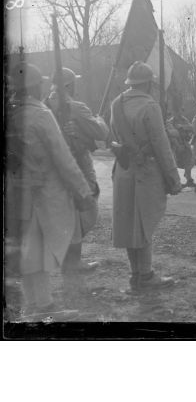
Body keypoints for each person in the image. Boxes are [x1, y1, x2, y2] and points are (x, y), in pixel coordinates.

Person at [6, 62, 95, 316]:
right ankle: (44, 306)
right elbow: (63, 158)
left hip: (16, 195)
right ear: (35, 86)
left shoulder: (10, 113)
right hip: (43, 195)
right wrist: (82, 192)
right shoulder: (40, 114)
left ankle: (35, 304)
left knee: (28, 250)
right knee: (40, 250)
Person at [110, 61, 182, 293]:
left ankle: (135, 275)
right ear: (149, 83)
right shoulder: (150, 106)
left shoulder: (116, 104)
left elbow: (113, 136)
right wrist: (173, 178)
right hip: (146, 172)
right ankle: (147, 275)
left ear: (130, 82)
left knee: (130, 224)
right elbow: (162, 146)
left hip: (123, 170)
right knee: (144, 225)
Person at [45, 67, 109, 274]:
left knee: (69, 211)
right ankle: (72, 261)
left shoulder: (44, 105)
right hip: (78, 164)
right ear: (70, 85)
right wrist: (99, 119)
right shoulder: (76, 107)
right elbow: (101, 132)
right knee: (88, 210)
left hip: (54, 167)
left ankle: (69, 259)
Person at [166, 110, 195, 187]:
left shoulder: (184, 119)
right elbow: (173, 133)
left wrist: (183, 127)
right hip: (176, 145)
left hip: (185, 143)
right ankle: (175, 182)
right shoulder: (171, 121)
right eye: (178, 111)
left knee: (189, 161)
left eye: (181, 111)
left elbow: (192, 127)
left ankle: (189, 179)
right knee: (174, 164)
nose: (180, 113)